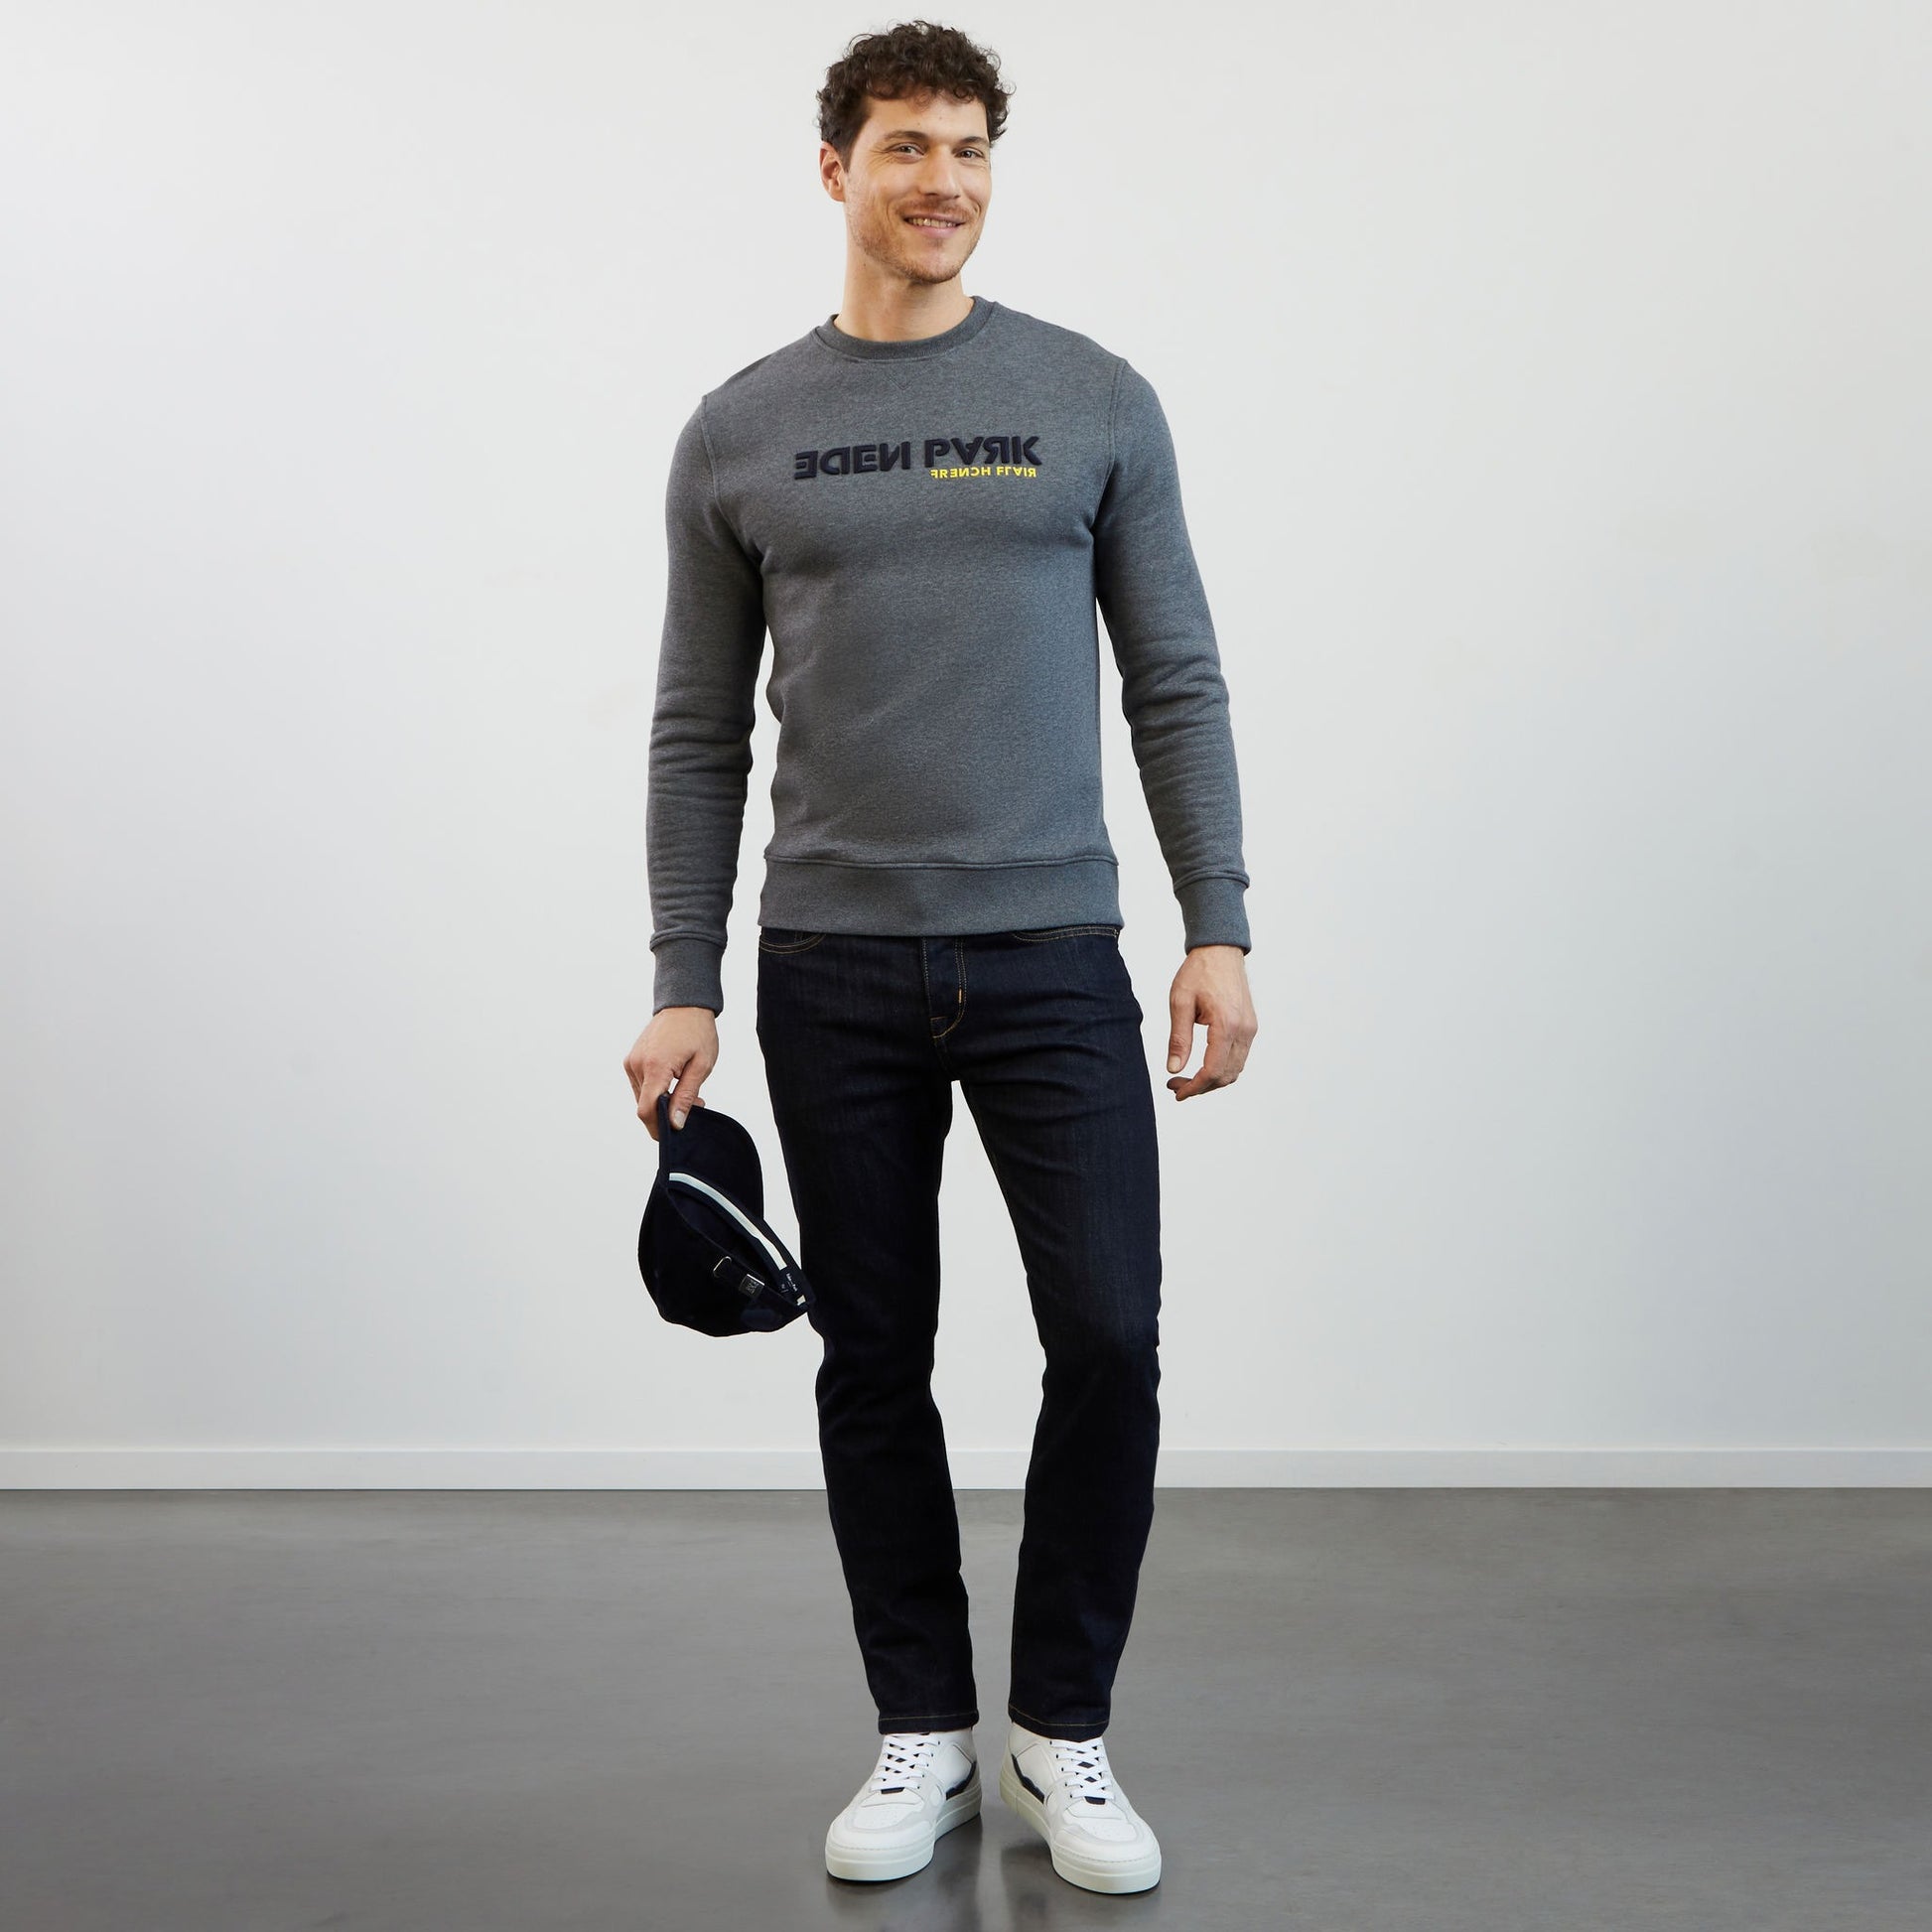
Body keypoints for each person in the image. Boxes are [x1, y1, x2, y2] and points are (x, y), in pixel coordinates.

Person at [621, 19, 1258, 1897]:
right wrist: (682, 972)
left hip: (1053, 953)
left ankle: (1060, 1730)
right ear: (836, 169)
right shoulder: (739, 428)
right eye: (906, 145)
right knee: (872, 1356)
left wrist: (1217, 922)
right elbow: (695, 730)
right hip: (830, 966)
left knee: (1109, 1337)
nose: (943, 180)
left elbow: (1175, 679)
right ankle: (925, 1727)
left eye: (969, 147)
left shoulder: (1092, 399)